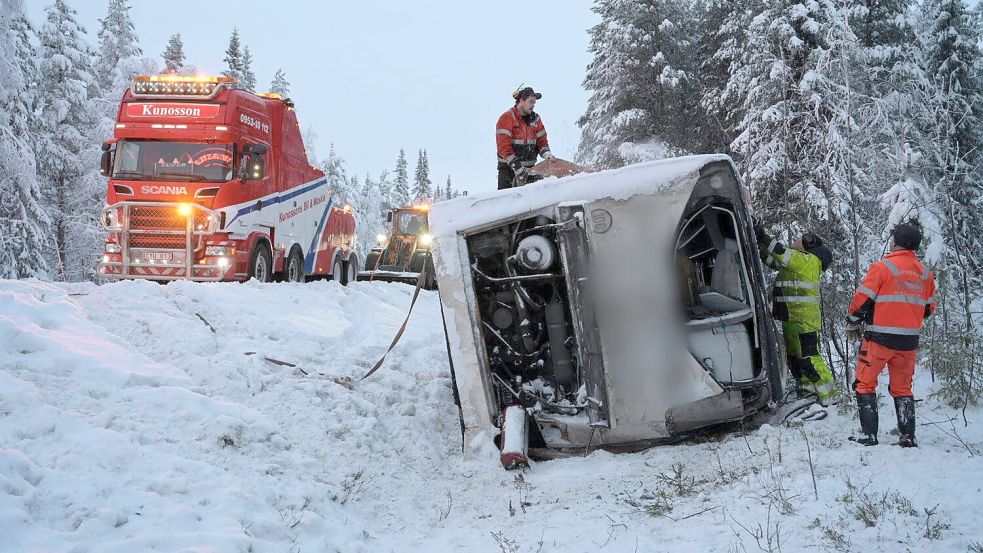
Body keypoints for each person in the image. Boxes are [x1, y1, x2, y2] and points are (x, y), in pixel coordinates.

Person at [846, 222, 935, 447]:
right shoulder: (926, 274)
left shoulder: (883, 267)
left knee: (865, 384)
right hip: (908, 342)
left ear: (896, 241)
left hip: (879, 339)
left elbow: (862, 300)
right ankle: (907, 436)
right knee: (903, 388)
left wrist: (853, 321)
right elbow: (928, 309)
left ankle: (869, 435)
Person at [754, 224, 837, 405]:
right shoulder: (796, 263)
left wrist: (762, 235)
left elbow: (779, 251)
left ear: (809, 244)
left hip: (803, 320)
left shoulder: (808, 260)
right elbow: (771, 259)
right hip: (792, 319)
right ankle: (806, 391)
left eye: (800, 239)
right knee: (795, 358)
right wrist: (758, 243)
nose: (795, 240)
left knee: (809, 357)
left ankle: (830, 397)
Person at [496, 86, 554, 190]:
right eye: (531, 102)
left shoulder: (536, 120)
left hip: (531, 171)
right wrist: (517, 167)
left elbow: (542, 142)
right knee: (507, 203)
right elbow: (503, 148)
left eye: (534, 103)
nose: (533, 105)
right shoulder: (506, 119)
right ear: (521, 100)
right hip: (509, 172)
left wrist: (546, 153)